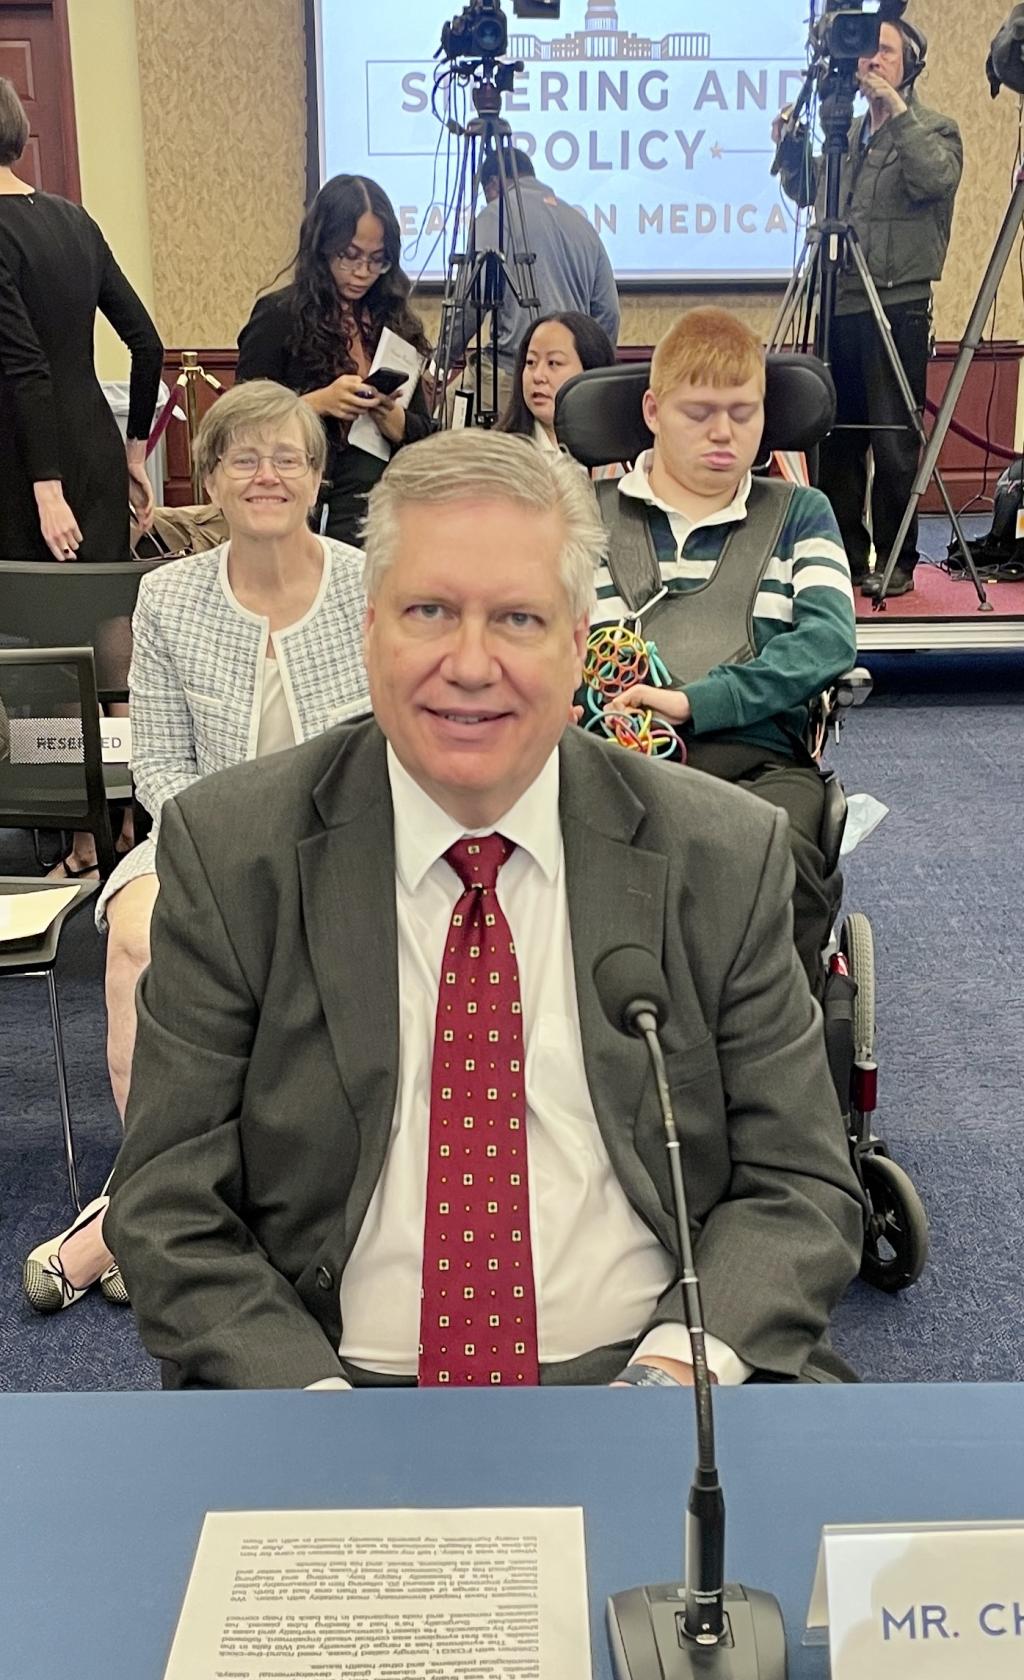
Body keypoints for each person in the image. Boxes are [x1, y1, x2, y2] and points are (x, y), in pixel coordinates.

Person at [103, 428, 864, 1392]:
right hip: (330, 1384)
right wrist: (313, 1416)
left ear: (578, 645)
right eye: (429, 610)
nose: (471, 663)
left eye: (517, 619)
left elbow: (800, 1185)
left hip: (657, 1377)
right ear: (369, 626)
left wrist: (675, 1373)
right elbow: (167, 1203)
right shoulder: (232, 850)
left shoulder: (721, 853)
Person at [22, 381, 371, 1315]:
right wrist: (229, 862)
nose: (266, 476)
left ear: (316, 474)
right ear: (208, 478)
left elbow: (387, 753)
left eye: (286, 457)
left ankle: (132, 1218)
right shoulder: (167, 597)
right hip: (200, 837)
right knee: (135, 932)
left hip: (348, 848)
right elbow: (160, 771)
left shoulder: (367, 585)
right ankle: (157, 1183)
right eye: (242, 458)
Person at [590, 307, 857, 995]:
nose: (723, 432)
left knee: (782, 859)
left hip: (760, 761)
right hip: (612, 757)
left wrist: (693, 700)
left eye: (744, 412)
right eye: (700, 411)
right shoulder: (582, 515)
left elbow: (828, 641)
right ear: (652, 409)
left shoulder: (803, 514)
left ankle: (771, 1055)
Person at [772, 15, 963, 597]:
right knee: (837, 439)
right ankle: (846, 558)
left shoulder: (936, 129)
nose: (871, 62)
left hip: (896, 304)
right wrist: (792, 147)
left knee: (894, 441)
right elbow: (810, 193)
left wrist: (896, 113)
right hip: (839, 298)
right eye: (867, 53)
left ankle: (899, 559)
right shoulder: (846, 136)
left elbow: (935, 180)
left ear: (911, 65)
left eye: (885, 52)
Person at [0, 77, 162, 563]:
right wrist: (135, 455)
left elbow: (27, 368)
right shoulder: (75, 219)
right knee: (100, 621)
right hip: (97, 451)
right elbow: (148, 345)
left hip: (23, 466)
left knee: (30, 632)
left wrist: (47, 489)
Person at [236, 174, 433, 547]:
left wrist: (398, 422)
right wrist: (317, 404)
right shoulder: (281, 315)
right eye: (350, 256)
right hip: (310, 508)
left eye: (378, 261)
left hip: (386, 505)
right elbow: (240, 423)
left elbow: (424, 431)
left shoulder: (396, 320)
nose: (362, 272)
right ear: (322, 247)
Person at [444, 149, 620, 416]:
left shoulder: (495, 215)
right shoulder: (581, 223)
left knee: (443, 418)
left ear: (493, 184)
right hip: (572, 383)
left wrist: (440, 362)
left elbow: (470, 302)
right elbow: (608, 312)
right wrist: (588, 376)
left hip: (510, 375)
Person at [498, 310, 615, 454]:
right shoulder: (501, 454)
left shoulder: (622, 452)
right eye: (530, 362)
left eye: (553, 362)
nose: (538, 376)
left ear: (591, 371)